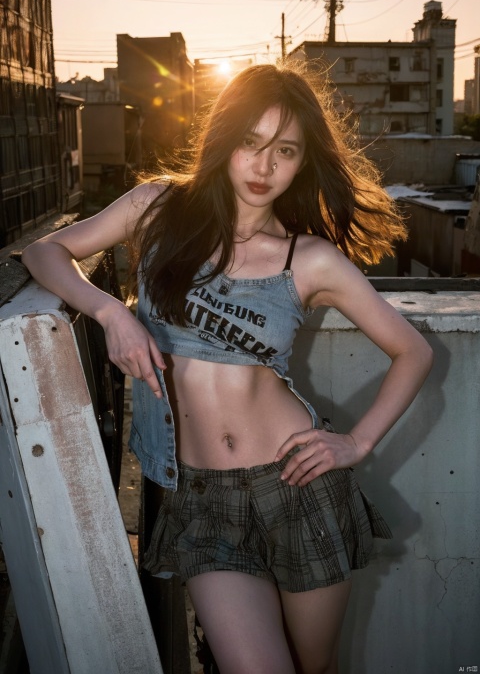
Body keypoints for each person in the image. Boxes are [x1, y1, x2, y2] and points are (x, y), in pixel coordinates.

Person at [22, 61, 433, 674]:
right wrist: (111, 313)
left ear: (302, 161)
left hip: (297, 488)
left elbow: (413, 351)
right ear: (225, 139)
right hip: (201, 499)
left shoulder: (310, 259)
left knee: (314, 669)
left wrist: (355, 442)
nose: (264, 167)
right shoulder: (158, 207)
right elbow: (44, 251)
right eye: (251, 142)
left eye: (285, 150)